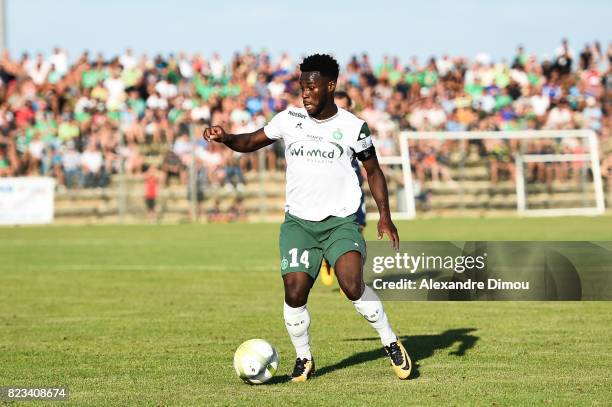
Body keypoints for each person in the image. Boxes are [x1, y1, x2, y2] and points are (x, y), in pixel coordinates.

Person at [203, 54, 411, 382]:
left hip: (341, 221)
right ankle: (304, 358)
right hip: (299, 224)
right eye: (302, 88)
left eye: (312, 87)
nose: (306, 94)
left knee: (352, 285)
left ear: (330, 86)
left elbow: (374, 171)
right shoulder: (289, 120)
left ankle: (390, 341)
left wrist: (385, 216)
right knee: (294, 291)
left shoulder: (353, 127)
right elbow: (250, 141)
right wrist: (227, 137)